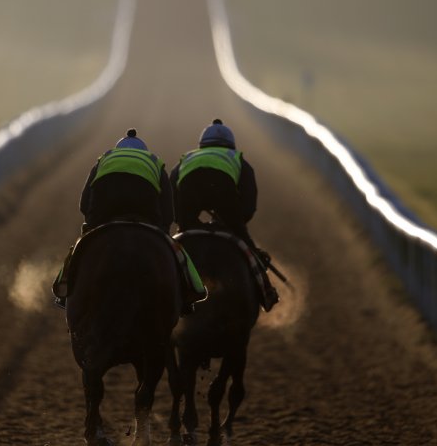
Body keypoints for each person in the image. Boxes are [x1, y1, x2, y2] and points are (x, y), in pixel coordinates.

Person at [53, 128, 204, 312]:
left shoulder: (104, 160)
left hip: (103, 215)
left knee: (78, 248)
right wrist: (163, 233)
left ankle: (64, 285)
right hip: (147, 217)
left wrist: (92, 225)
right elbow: (167, 209)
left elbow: (84, 204)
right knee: (176, 251)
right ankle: (192, 291)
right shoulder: (154, 162)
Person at [170, 119, 279, 311]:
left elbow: (171, 197)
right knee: (247, 245)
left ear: (202, 145)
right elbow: (248, 203)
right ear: (231, 144)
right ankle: (266, 291)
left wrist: (184, 221)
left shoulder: (186, 158)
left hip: (189, 193)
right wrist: (233, 223)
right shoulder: (237, 158)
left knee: (175, 248)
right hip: (224, 193)